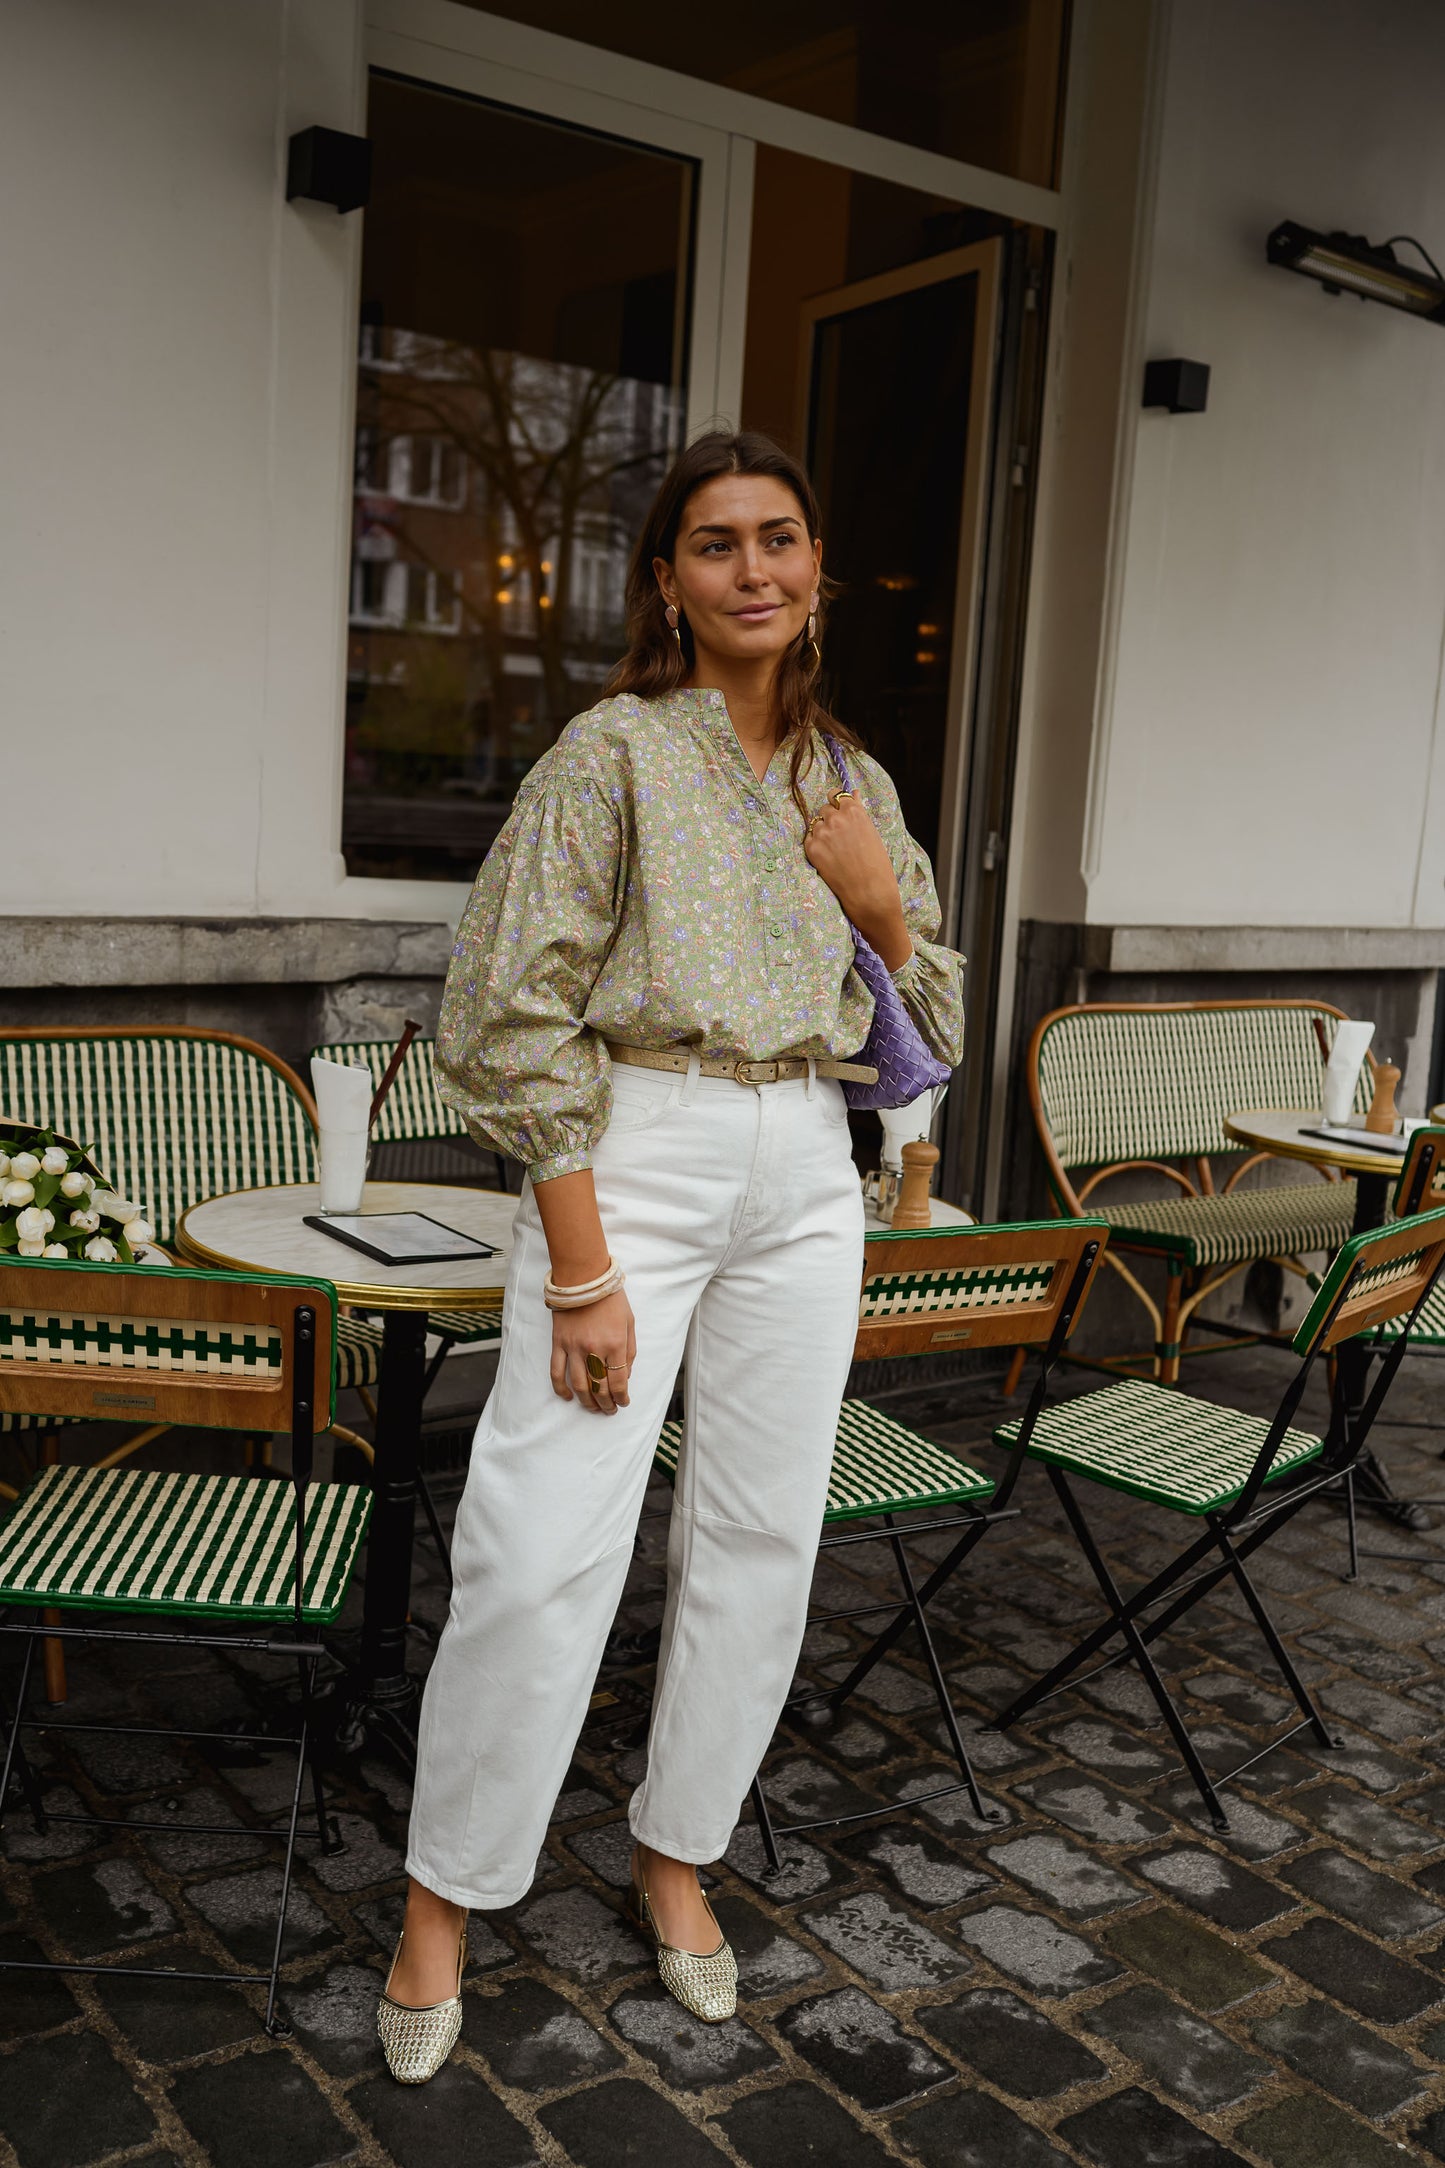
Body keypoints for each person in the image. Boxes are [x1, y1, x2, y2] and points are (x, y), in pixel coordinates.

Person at [376, 430, 965, 2082]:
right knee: (540, 1536)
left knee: (763, 1533)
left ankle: (675, 1849)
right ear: (668, 581)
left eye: (780, 539)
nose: (754, 569)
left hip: (809, 1159)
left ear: (817, 572)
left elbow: (931, 1028)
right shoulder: (611, 752)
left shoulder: (854, 783)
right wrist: (577, 1266)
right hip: (634, 1146)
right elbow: (503, 1014)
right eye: (717, 544)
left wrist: (883, 910)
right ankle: (444, 1895)